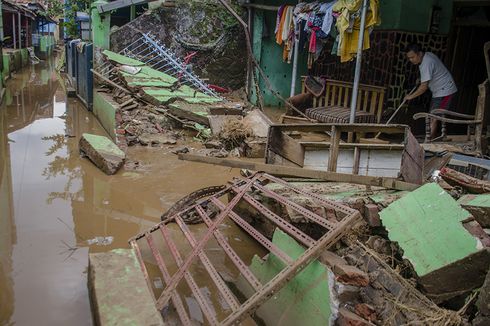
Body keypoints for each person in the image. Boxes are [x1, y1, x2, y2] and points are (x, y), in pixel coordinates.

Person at [404, 43, 458, 140]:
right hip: (439, 91)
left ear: (419, 54)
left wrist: (410, 96)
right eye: (409, 58)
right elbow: (430, 74)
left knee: (434, 116)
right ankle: (430, 138)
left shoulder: (426, 63)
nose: (411, 60)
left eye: (412, 57)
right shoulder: (427, 55)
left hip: (446, 91)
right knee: (432, 115)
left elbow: (424, 87)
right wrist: (422, 78)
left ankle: (428, 141)